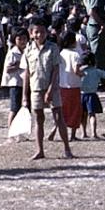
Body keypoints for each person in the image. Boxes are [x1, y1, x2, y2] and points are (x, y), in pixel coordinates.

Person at [23, 21, 71, 159]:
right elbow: (26, 73)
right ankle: (39, 150)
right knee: (38, 119)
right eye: (36, 32)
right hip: (36, 88)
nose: (39, 35)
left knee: (58, 117)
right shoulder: (28, 50)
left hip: (52, 88)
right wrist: (25, 96)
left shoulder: (53, 48)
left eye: (42, 32)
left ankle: (67, 149)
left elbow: (56, 69)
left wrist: (51, 89)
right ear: (31, 34)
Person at [55, 31, 85, 140]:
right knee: (75, 111)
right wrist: (84, 73)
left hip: (62, 86)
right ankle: (72, 135)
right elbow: (76, 70)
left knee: (63, 111)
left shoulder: (60, 53)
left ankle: (56, 131)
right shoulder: (75, 55)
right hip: (74, 86)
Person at [77, 55, 105, 139]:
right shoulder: (96, 71)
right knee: (92, 114)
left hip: (82, 94)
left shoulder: (80, 71)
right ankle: (93, 133)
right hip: (92, 94)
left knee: (83, 115)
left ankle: (83, 133)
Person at [3, 28, 28, 140]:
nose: (22, 41)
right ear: (14, 40)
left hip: (24, 83)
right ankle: (11, 133)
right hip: (15, 83)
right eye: (19, 39)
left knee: (22, 109)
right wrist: (18, 65)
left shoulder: (26, 51)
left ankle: (19, 133)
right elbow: (8, 68)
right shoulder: (13, 52)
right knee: (14, 108)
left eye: (24, 39)